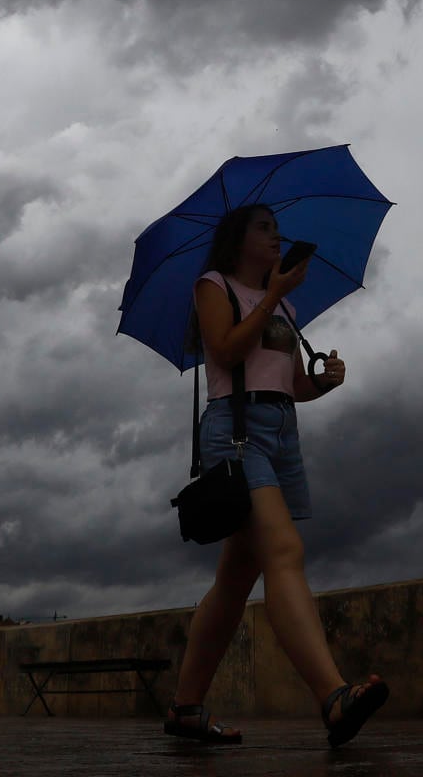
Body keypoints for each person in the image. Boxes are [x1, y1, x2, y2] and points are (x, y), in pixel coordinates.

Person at [164, 204, 389, 748]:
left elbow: (291, 385)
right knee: (284, 551)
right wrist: (267, 298)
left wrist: (324, 382)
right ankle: (333, 698)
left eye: (277, 227)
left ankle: (186, 708)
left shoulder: (284, 304)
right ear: (237, 237)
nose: (275, 236)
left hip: (281, 432)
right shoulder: (213, 285)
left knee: (236, 578)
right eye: (264, 227)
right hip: (235, 431)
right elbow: (223, 350)